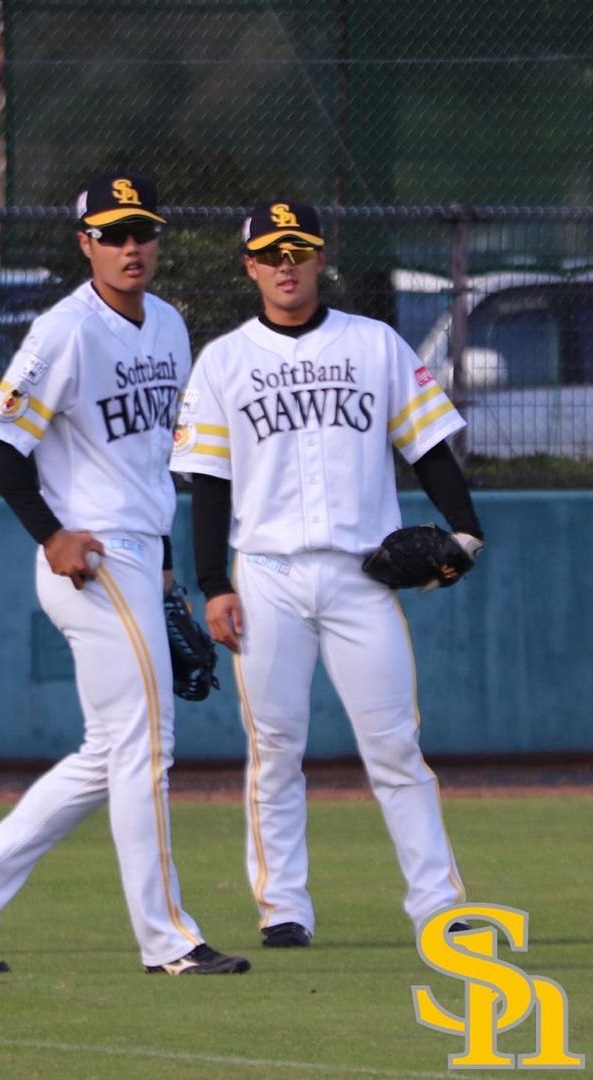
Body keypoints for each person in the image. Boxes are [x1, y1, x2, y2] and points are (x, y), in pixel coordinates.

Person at [0, 173, 250, 976]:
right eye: (112, 235)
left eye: (141, 232)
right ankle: (168, 940)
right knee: (149, 747)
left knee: (111, 752)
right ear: (85, 244)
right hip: (93, 559)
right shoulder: (66, 330)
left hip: (140, 552)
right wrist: (51, 534)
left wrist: (167, 567)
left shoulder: (169, 323)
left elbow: (149, 460)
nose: (130, 247)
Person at [170, 199, 484, 947]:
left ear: (319, 258)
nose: (286, 265)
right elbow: (209, 482)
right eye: (270, 253)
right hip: (266, 575)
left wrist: (467, 529)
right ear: (249, 265)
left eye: (298, 250)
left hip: (362, 575)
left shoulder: (375, 344)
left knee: (396, 744)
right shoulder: (224, 361)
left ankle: (438, 905)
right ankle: (283, 907)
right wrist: (214, 583)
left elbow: (428, 446)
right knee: (275, 749)